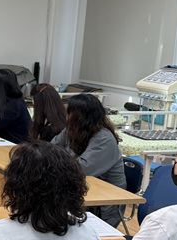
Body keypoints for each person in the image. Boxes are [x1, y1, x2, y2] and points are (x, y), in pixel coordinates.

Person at [51, 93, 126, 227]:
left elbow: (81, 169)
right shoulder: (72, 130)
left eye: (69, 112)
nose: (66, 116)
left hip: (104, 203)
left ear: (79, 116)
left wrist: (56, 161)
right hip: (82, 189)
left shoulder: (104, 138)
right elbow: (51, 150)